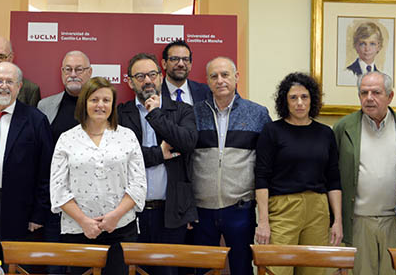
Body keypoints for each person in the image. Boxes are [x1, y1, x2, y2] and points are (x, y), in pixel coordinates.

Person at [51, 77, 146, 275]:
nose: (100, 105)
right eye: (94, 100)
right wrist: (85, 221)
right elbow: (58, 187)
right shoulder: (67, 139)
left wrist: (115, 216)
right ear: (84, 102)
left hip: (120, 229)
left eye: (106, 100)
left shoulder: (127, 136)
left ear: (113, 104)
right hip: (78, 230)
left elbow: (138, 183)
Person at [254, 72, 342, 275]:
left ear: (312, 99)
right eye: (293, 98)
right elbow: (261, 177)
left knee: (315, 270)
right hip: (283, 210)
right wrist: (263, 221)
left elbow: (334, 179)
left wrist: (337, 221)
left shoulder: (325, 133)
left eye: (304, 97)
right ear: (285, 101)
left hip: (318, 211)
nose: (299, 103)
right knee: (276, 269)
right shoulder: (272, 131)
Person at [117, 53, 196, 275]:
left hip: (171, 214)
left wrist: (155, 114)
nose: (148, 80)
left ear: (161, 77)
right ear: (130, 81)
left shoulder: (183, 111)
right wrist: (160, 154)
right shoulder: (120, 114)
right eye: (140, 76)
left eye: (152, 74)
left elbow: (187, 143)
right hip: (131, 214)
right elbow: (121, 157)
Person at [192, 57, 270, 275]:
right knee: (203, 270)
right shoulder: (194, 113)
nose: (220, 81)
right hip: (202, 210)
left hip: (240, 208)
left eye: (225, 75)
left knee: (242, 268)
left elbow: (266, 164)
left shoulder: (258, 113)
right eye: (214, 76)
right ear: (207, 81)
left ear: (236, 77)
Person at [332, 71, 396, 275]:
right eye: (363, 93)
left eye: (376, 92)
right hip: (359, 220)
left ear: (390, 96)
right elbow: (332, 175)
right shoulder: (344, 127)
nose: (369, 98)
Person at [0, 62, 53, 243]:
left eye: (10, 82)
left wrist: (38, 213)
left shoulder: (36, 120)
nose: (4, 86)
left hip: (17, 204)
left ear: (19, 86)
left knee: (10, 263)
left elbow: (46, 171)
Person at [37, 50, 94, 255]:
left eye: (79, 69)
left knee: (87, 263)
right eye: (68, 69)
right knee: (56, 263)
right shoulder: (45, 106)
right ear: (61, 72)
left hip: (91, 202)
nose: (73, 74)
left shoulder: (101, 106)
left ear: (90, 72)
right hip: (56, 202)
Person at [159, 40, 210, 106]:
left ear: (191, 65)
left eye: (185, 59)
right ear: (164, 64)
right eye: (174, 59)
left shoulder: (205, 92)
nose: (181, 64)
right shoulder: (155, 91)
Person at [338, 21, 384, 86]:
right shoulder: (347, 73)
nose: (367, 49)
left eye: (372, 44)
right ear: (356, 46)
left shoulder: (381, 77)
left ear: (379, 46)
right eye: (363, 44)